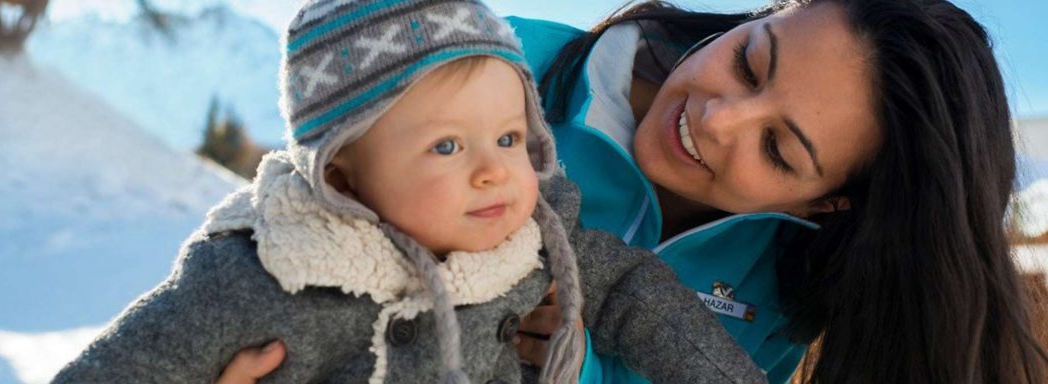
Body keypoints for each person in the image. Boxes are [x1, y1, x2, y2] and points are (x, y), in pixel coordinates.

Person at [219, 0, 1048, 383]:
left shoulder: (795, 281)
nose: (717, 118)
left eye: (777, 148)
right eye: (750, 58)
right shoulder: (503, 71)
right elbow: (294, 217)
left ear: (830, 203)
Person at [56, 1, 775, 383]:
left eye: (509, 139)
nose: (494, 171)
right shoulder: (267, 272)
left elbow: (634, 299)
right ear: (344, 177)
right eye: (445, 147)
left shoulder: (531, 241)